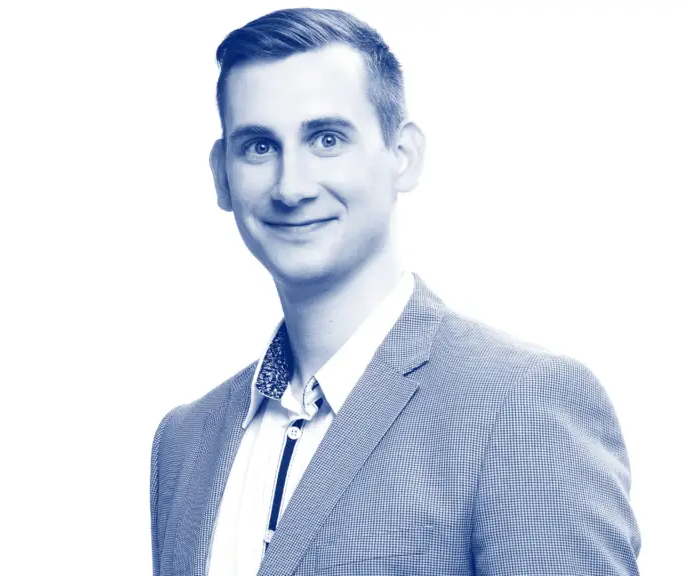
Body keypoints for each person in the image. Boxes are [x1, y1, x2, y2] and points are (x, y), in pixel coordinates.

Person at [150, 7, 640, 576]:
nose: (292, 187)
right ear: (221, 174)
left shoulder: (521, 404)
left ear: (403, 156)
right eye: (259, 147)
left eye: (326, 139)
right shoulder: (183, 443)